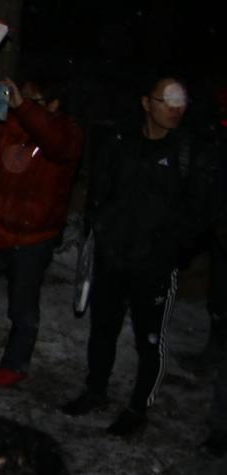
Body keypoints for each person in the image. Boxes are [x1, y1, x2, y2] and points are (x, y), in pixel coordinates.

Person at [61, 76, 217, 437]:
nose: (176, 108)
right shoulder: (121, 142)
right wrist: (97, 228)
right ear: (147, 103)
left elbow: (202, 210)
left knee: (150, 339)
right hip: (113, 257)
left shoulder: (189, 152)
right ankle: (95, 390)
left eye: (182, 101)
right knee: (103, 330)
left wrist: (169, 247)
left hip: (154, 265)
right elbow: (103, 189)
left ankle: (137, 408)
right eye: (168, 100)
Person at [0, 72, 84, 388]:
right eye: (18, 97)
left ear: (53, 104)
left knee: (22, 307)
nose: (18, 104)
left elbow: (54, 140)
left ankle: (15, 365)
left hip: (33, 239)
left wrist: (25, 107)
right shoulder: (15, 125)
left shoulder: (67, 134)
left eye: (31, 99)